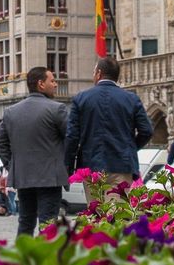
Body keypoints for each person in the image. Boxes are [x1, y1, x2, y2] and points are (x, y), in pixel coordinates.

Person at [64, 56, 153, 203]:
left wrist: (68, 168)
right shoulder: (131, 99)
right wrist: (129, 148)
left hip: (91, 165)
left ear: (98, 73)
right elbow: (146, 131)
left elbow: (72, 137)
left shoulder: (81, 99)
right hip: (121, 165)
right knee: (117, 216)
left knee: (96, 214)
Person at [0, 66, 70, 234]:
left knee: (25, 223)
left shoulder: (11, 112)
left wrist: (13, 164)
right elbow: (71, 140)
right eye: (52, 81)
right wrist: (66, 166)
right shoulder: (57, 109)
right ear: (41, 84)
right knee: (48, 224)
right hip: (50, 178)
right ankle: (45, 258)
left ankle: (22, 258)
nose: (55, 84)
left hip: (23, 177)